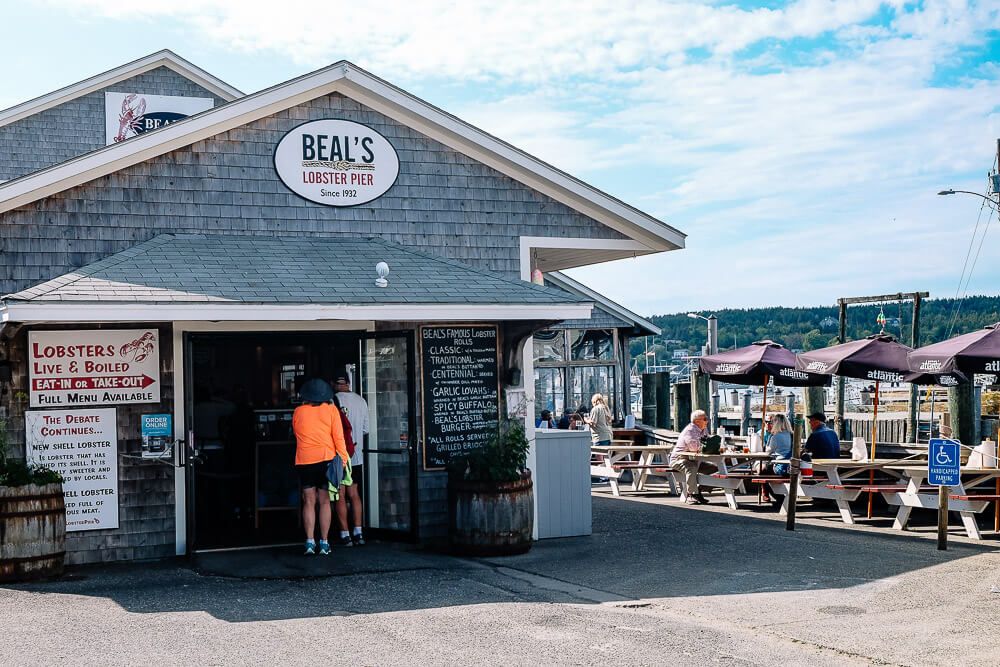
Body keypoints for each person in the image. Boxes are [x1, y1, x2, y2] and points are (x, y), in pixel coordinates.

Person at [293, 378, 347, 555]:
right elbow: (338, 437)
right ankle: (324, 542)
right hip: (326, 459)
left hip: (304, 460)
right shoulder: (331, 410)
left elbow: (296, 433)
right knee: (325, 501)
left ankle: (309, 542)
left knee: (308, 501)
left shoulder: (298, 411)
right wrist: (344, 460)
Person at [334, 376, 368, 547]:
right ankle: (358, 532)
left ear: (335, 384)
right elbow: (365, 429)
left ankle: (345, 534)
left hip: (339, 456)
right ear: (348, 383)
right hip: (356, 455)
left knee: (340, 495)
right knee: (354, 494)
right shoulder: (361, 401)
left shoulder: (333, 401)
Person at [669, 409, 712, 504]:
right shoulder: (690, 430)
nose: (707, 421)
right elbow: (694, 448)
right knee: (691, 468)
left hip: (696, 460)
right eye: (705, 419)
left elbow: (708, 443)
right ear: (697, 421)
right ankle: (692, 494)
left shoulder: (704, 429)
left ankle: (699, 489)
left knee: (714, 469)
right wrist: (707, 446)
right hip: (679, 459)